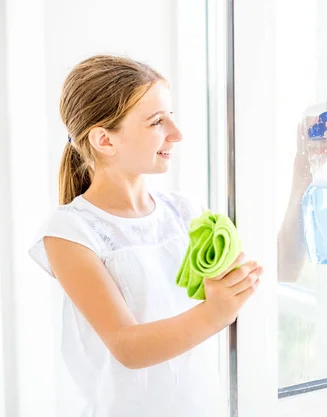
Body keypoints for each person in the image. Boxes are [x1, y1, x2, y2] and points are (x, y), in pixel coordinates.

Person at [27, 54, 263, 417]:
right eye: (156, 122)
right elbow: (127, 347)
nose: (177, 133)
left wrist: (303, 173)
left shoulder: (183, 213)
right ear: (105, 141)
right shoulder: (70, 233)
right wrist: (215, 314)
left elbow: (281, 269)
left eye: (172, 117)